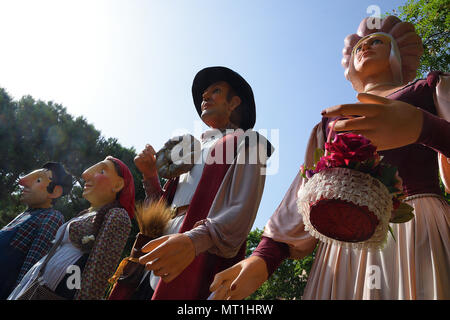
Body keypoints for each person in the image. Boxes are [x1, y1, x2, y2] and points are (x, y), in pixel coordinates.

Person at [210, 16, 450, 300]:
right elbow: (305, 191)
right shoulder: (330, 122)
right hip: (341, 246)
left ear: (396, 53)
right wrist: (263, 257)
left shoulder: (429, 89)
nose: (365, 47)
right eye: (359, 45)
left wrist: (426, 128)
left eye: (377, 42)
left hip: (417, 227)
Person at [108, 66, 273, 300]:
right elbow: (164, 211)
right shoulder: (190, 152)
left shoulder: (250, 143)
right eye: (204, 94)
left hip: (196, 259)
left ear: (234, 102)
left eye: (215, 91)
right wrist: (150, 175)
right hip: (153, 261)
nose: (204, 97)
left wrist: (193, 241)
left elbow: (240, 213)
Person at [8, 156, 134, 300]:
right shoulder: (86, 214)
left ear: (117, 185)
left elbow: (99, 270)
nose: (85, 174)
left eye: (102, 171)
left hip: (55, 293)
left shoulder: (117, 216)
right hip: (37, 285)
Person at [0, 162, 72, 299]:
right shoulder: (26, 214)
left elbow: (31, 269)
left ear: (55, 191)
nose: (23, 183)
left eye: (38, 180)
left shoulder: (51, 217)